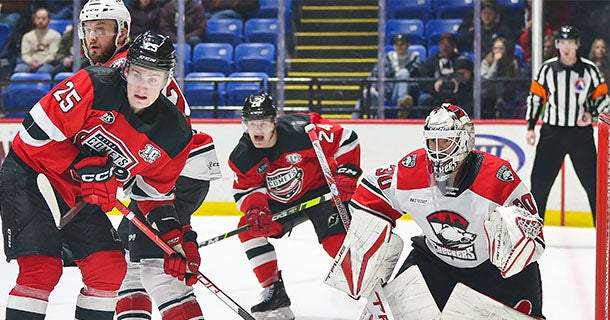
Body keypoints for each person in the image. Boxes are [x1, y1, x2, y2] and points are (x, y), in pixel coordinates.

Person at [0, 31, 196, 320]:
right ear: (126, 69)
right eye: (138, 74)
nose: (143, 86)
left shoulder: (174, 134)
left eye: (154, 78)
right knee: (41, 269)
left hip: (79, 192)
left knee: (108, 268)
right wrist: (82, 165)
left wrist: (174, 241)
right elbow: (31, 136)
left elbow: (153, 195)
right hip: (32, 173)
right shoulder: (94, 84)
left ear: (167, 81)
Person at [326, 103, 545, 319]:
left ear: (464, 141)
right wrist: (365, 239)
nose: (438, 151)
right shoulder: (411, 169)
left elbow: (533, 232)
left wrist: (517, 241)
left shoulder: (497, 177)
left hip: (491, 272)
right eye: (433, 142)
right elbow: (372, 190)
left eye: (446, 143)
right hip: (434, 265)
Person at [77, 1, 222, 319]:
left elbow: (153, 143)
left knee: (158, 272)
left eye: (101, 29)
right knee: (130, 269)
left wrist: (180, 227)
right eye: (87, 29)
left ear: (122, 32)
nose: (91, 38)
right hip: (169, 173)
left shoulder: (122, 71)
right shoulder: (126, 66)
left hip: (174, 173)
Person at [229, 93, 362, 319]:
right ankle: (274, 291)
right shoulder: (243, 156)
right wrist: (256, 209)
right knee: (248, 229)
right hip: (284, 203)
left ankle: (371, 284)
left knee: (335, 245)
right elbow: (247, 190)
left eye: (262, 123)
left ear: (274, 122)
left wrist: (346, 173)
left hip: (323, 193)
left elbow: (348, 139)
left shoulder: (303, 131)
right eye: (251, 123)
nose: (257, 129)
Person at [525, 25, 609, 224]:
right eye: (562, 43)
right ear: (557, 45)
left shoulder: (590, 70)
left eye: (570, 43)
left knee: (593, 185)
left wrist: (593, 116)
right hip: (552, 133)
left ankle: (604, 237)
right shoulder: (547, 69)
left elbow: (603, 100)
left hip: (580, 135)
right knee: (539, 184)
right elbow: (535, 98)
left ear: (577, 45)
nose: (566, 47)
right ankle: (533, 235)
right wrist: (530, 126)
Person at [353, 33, 422, 119]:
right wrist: (373, 87)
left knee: (403, 73)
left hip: (404, 95)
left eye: (402, 44)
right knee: (365, 94)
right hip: (384, 94)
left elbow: (418, 81)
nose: (399, 47)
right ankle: (354, 121)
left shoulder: (415, 59)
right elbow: (375, 73)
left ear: (408, 45)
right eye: (397, 44)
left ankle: (402, 105)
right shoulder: (387, 59)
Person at [417, 33, 469, 116]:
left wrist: (458, 83)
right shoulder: (430, 62)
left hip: (457, 92)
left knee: (467, 97)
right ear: (439, 45)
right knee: (424, 99)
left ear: (454, 46)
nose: (445, 47)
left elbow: (467, 76)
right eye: (443, 44)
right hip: (436, 94)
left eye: (449, 44)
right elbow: (423, 82)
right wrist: (434, 86)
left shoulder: (461, 60)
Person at [481, 37, 522, 119]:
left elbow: (515, 79)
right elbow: (488, 78)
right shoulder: (486, 61)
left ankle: (500, 104)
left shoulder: (513, 62)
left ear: (506, 50)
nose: (497, 51)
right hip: (489, 91)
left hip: (508, 91)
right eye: (495, 48)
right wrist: (495, 63)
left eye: (501, 48)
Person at [14, 7, 61, 74]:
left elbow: (53, 55)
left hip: (47, 64)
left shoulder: (56, 35)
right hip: (29, 63)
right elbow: (24, 54)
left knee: (43, 71)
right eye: (38, 18)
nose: (40, 21)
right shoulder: (27, 36)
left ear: (49, 20)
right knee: (19, 69)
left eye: (43, 18)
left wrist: (41, 63)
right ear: (34, 20)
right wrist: (31, 62)